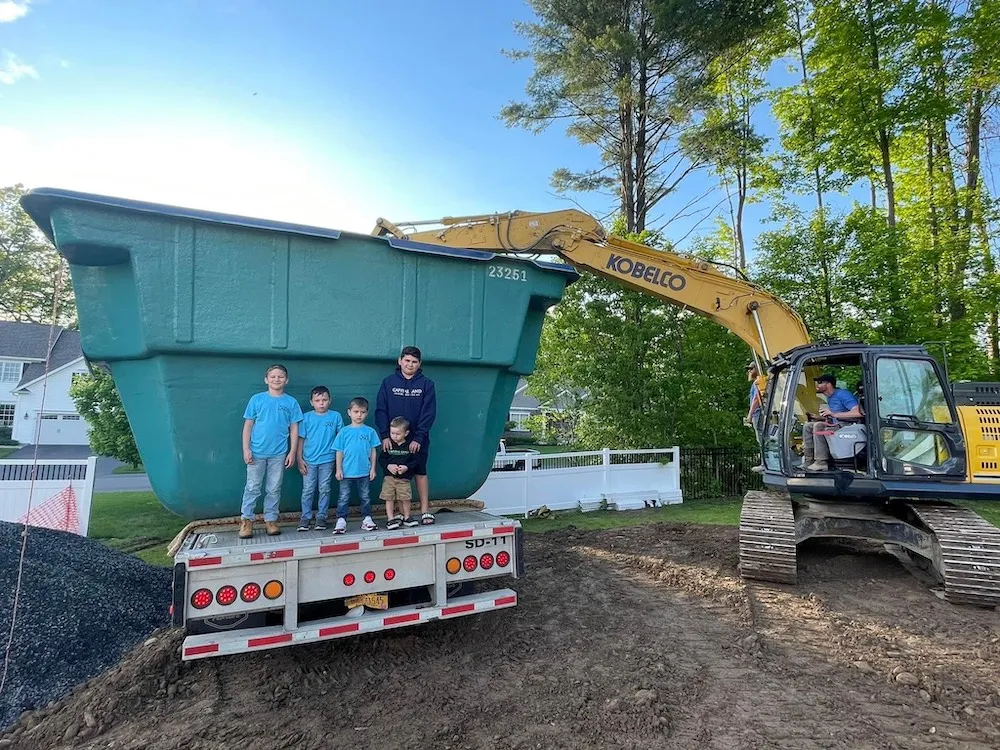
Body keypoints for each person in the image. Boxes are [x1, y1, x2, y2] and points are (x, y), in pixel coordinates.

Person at [239, 364, 303, 539]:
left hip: (279, 453)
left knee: (274, 488)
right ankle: (247, 521)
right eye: (273, 376)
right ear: (266, 379)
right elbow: (248, 426)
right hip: (256, 452)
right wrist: (246, 449)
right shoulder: (257, 400)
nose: (277, 379)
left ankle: (271, 519)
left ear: (286, 380)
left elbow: (294, 429)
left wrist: (292, 452)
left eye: (280, 376)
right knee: (252, 487)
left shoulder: (291, 402)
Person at [375, 346, 437, 525]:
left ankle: (425, 510)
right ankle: (400, 513)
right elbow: (381, 410)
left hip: (418, 439)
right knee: (395, 474)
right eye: (407, 360)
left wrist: (418, 437)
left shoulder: (427, 384)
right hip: (393, 439)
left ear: (419, 364)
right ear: (399, 361)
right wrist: (385, 435)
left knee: (419, 471)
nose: (410, 364)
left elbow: (429, 413)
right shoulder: (388, 382)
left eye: (414, 362)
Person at [296, 386, 344, 532]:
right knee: (308, 489)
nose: (321, 403)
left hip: (328, 460)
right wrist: (299, 459)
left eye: (324, 400)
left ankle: (321, 516)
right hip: (309, 460)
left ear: (330, 400)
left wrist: (339, 461)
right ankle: (305, 517)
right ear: (312, 402)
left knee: (324, 488)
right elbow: (301, 439)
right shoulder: (306, 417)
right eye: (317, 400)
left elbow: (341, 439)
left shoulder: (335, 416)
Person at [332, 396, 382, 534]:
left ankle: (366, 519)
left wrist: (373, 469)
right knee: (343, 496)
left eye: (362, 412)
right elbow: (339, 451)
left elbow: (373, 451)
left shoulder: (370, 432)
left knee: (365, 496)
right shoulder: (344, 431)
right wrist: (338, 469)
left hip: (364, 472)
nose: (359, 415)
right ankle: (341, 520)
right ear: (349, 412)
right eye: (356, 411)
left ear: (367, 413)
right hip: (346, 472)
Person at [802, 373, 862, 471]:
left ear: (829, 384)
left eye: (820, 382)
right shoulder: (829, 397)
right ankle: (809, 460)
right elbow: (833, 417)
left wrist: (834, 414)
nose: (817, 385)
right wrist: (818, 417)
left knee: (819, 426)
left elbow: (858, 412)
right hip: (836, 424)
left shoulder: (843, 394)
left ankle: (821, 462)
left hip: (847, 425)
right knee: (808, 426)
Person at [378, 416, 421, 530]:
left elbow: (416, 461)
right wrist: (388, 466)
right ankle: (390, 519)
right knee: (389, 498)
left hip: (404, 479)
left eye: (398, 434)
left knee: (405, 498)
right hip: (389, 478)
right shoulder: (388, 445)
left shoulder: (410, 446)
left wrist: (407, 467)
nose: (394, 436)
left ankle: (407, 517)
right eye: (392, 433)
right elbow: (381, 460)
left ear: (406, 433)